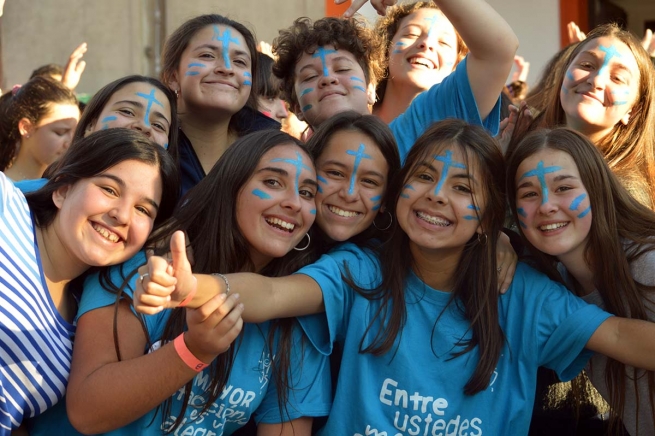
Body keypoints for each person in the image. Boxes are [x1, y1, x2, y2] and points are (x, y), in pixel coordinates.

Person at [139, 119, 655, 435]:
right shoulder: (361, 271)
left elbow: (620, 335)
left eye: (462, 188)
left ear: (492, 216)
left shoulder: (524, 296)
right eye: (424, 177)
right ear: (399, 193)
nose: (436, 195)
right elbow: (271, 293)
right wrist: (196, 287)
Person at [37, 130, 329, 435]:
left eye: (307, 193)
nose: (295, 203)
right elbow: (88, 410)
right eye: (272, 182)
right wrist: (193, 350)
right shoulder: (151, 268)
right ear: (230, 187)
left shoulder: (297, 322)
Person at [0, 128, 178, 433]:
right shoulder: (7, 207)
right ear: (63, 190)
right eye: (109, 189)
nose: (122, 215)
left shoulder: (84, 329)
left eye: (142, 209)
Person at [507, 127, 655, 436]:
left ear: (596, 189)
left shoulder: (647, 264)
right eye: (530, 193)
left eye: (564, 188)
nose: (546, 205)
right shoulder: (554, 284)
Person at [272, 0, 518, 161]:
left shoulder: (413, 130)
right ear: (295, 108)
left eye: (343, 69)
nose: (327, 79)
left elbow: (498, 50)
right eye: (310, 77)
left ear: (370, 88)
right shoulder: (288, 164)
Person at [514, 23, 655, 208]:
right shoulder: (520, 148)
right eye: (587, 65)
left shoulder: (625, 193)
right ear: (563, 75)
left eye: (617, 78)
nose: (596, 80)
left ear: (633, 111)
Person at [160, 14, 279, 194]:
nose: (226, 68)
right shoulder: (147, 147)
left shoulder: (273, 155)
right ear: (173, 77)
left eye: (239, 62)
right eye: (207, 55)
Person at [14, 75, 179, 195]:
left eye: (158, 125)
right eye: (127, 111)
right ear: (90, 125)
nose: (144, 126)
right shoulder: (17, 200)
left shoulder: (166, 232)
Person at [372, 1, 468, 123]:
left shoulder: (456, 130)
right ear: (386, 46)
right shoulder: (349, 114)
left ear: (457, 64)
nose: (426, 43)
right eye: (411, 34)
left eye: (444, 42)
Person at [0, 76, 80, 181]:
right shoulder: (5, 191)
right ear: (26, 128)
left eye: (76, 132)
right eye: (60, 132)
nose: (70, 142)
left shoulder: (68, 186)